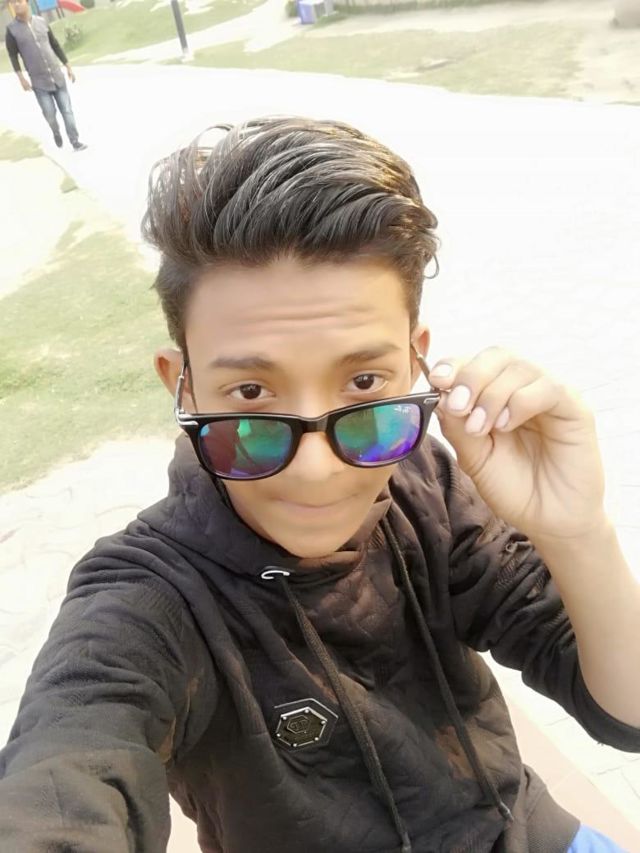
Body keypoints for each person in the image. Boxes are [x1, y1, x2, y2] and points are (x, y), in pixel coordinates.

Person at [0, 115, 638, 853]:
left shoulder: (425, 483)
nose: (316, 469)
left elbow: (627, 712)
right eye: (250, 394)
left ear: (415, 360)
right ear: (184, 385)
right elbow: (68, 765)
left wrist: (577, 530)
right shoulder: (149, 599)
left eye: (364, 383)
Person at [5, 0, 87, 151]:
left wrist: (68, 66)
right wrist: (21, 78)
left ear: (27, 3)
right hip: (39, 82)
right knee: (50, 114)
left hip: (57, 76)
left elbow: (55, 44)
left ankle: (75, 141)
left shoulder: (41, 22)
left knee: (67, 111)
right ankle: (55, 131)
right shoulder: (11, 30)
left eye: (19, 1)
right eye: (13, 2)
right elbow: (13, 56)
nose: (16, 5)